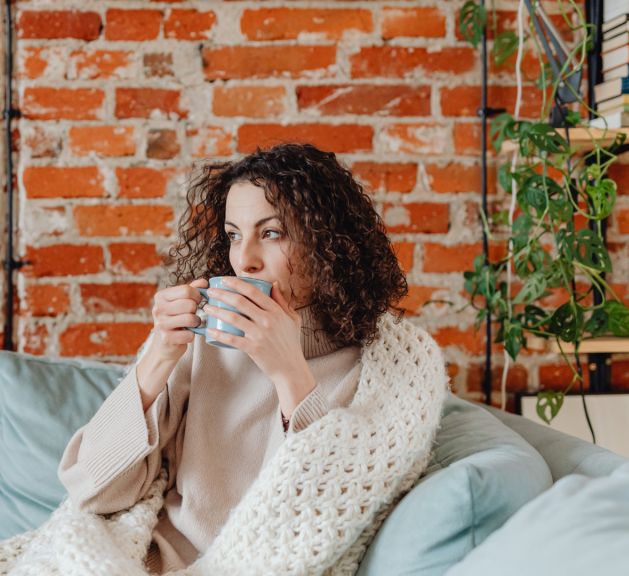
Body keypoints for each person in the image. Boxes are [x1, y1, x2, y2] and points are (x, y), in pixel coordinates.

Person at [57, 143, 410, 574]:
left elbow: (332, 512)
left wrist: (288, 370)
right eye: (234, 235)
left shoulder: (381, 366)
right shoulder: (204, 343)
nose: (244, 261)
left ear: (329, 244)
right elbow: (92, 491)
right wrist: (160, 355)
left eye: (272, 233)